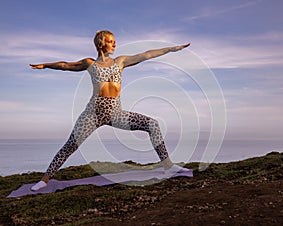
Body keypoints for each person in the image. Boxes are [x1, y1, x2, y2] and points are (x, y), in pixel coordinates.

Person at [30, 30, 190, 191]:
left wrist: (170, 49)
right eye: (110, 41)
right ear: (101, 44)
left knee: (152, 124)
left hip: (116, 114)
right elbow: (66, 65)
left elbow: (146, 54)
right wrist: (45, 65)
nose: (114, 44)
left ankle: (168, 165)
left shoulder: (120, 62)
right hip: (92, 114)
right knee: (70, 146)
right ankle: (44, 180)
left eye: (114, 41)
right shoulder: (90, 63)